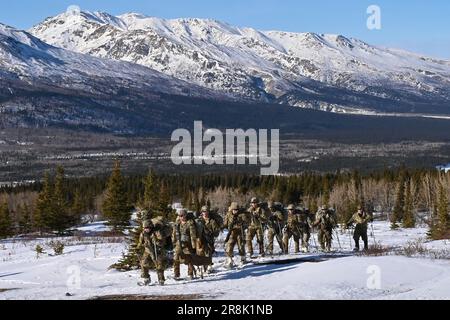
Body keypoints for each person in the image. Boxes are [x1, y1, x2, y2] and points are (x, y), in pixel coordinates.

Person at [137, 216, 170, 286]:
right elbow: (140, 242)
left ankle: (161, 280)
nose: (146, 229)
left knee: (159, 266)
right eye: (145, 228)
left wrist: (158, 242)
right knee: (143, 263)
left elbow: (163, 241)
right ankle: (146, 278)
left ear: (151, 227)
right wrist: (138, 248)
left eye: (147, 228)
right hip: (148, 250)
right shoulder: (143, 234)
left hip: (158, 251)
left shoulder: (157, 232)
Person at [172, 209, 197, 280]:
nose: (181, 217)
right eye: (180, 216)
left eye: (183, 215)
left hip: (188, 243)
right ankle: (176, 274)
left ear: (185, 215)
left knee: (189, 258)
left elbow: (193, 236)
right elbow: (174, 234)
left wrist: (194, 246)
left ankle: (190, 274)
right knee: (176, 258)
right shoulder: (177, 223)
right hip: (178, 244)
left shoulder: (190, 223)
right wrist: (173, 242)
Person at [223, 202, 249, 267]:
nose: (235, 211)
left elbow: (247, 223)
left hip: (240, 232)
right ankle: (230, 260)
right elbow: (225, 224)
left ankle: (243, 258)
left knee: (241, 246)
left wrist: (241, 225)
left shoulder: (242, 215)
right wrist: (224, 227)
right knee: (229, 246)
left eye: (236, 210)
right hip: (231, 233)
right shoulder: (228, 215)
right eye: (234, 210)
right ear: (231, 209)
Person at [198, 205, 221, 273]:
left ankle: (209, 267)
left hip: (209, 239)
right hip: (200, 239)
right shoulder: (199, 220)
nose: (205, 213)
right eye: (204, 211)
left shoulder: (212, 221)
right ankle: (202, 266)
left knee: (208, 253)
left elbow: (216, 231)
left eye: (206, 211)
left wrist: (211, 233)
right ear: (202, 212)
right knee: (200, 253)